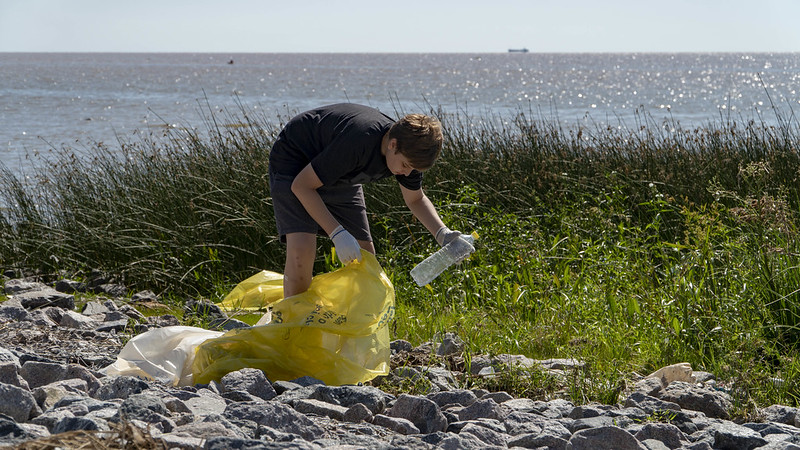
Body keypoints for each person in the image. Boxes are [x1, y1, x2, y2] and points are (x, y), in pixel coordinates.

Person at [268, 103, 466, 297]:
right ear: (393, 144)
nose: (407, 174)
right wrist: (336, 233)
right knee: (301, 253)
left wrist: (443, 234)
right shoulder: (358, 141)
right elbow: (301, 186)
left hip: (340, 172)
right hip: (295, 161)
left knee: (365, 256)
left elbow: (415, 199)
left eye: (413, 170)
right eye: (405, 165)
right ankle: (291, 325)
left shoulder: (410, 157)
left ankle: (355, 323)